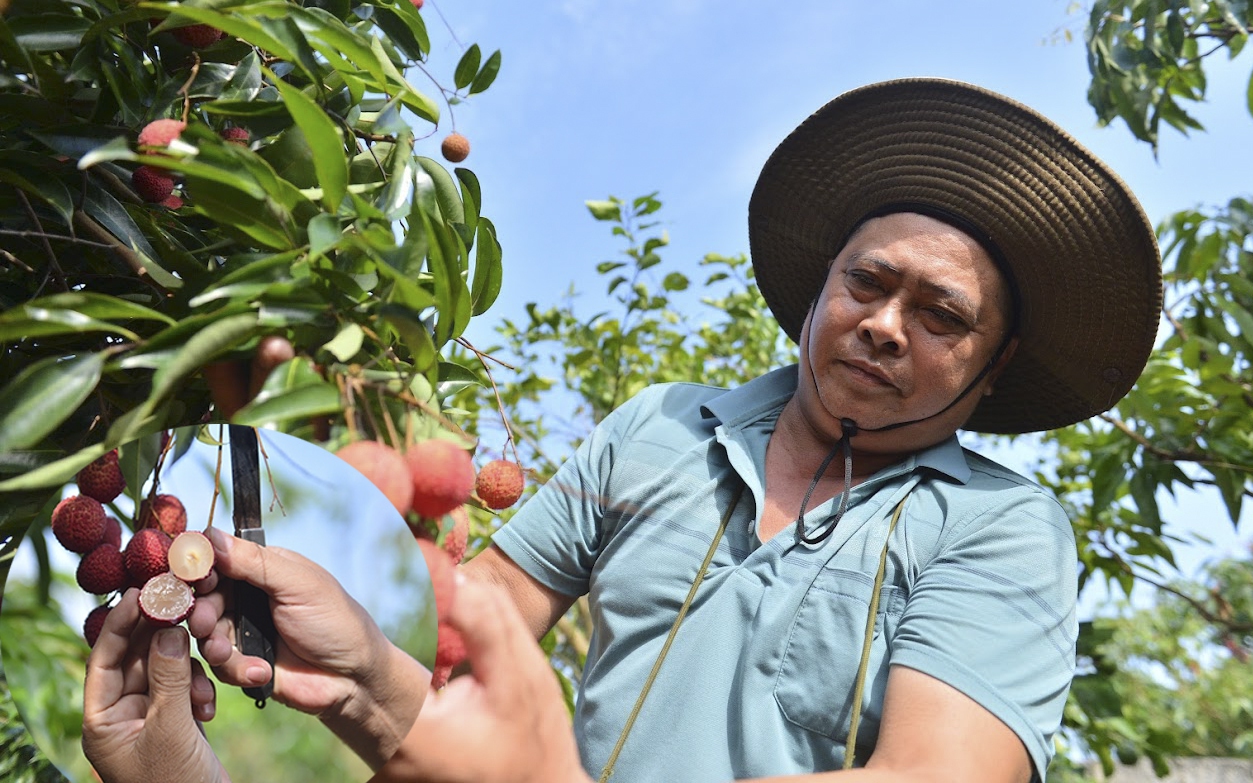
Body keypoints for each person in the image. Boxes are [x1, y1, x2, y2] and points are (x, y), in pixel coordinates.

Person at [82, 77, 1162, 783]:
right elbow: (483, 624)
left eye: (938, 316)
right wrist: (351, 641)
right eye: (865, 285)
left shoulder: (1003, 529)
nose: (882, 327)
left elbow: (931, 777)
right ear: (816, 290)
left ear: (994, 363)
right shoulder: (658, 426)